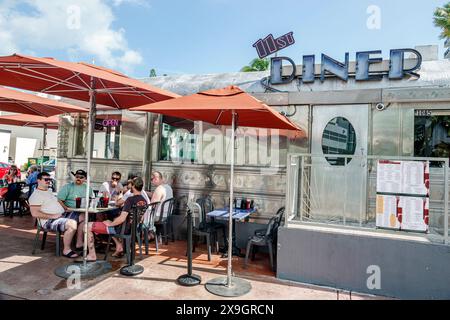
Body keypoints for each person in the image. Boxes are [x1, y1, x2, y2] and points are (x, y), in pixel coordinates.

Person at [82, 177, 147, 261]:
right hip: (132, 229)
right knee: (107, 220)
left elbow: (122, 219)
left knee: (87, 226)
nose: (128, 187)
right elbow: (141, 218)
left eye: (130, 185)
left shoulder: (130, 200)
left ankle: (92, 255)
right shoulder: (144, 200)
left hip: (121, 229)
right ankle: (119, 245)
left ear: (133, 186)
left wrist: (111, 224)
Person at [29, 172, 82, 258]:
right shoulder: (36, 195)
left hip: (61, 215)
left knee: (83, 216)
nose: (48, 181)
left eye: (49, 179)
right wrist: (53, 216)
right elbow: (34, 213)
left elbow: (56, 203)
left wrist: (66, 209)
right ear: (38, 180)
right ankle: (66, 250)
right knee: (72, 224)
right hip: (48, 221)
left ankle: (79, 243)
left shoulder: (48, 191)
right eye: (46, 179)